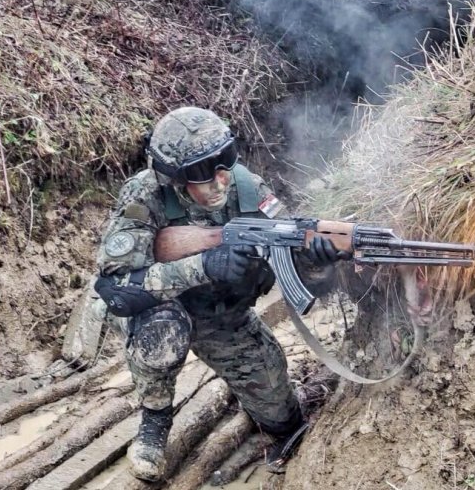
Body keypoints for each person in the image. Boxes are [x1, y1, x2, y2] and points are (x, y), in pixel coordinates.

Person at [92, 106, 343, 481]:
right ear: (173, 177)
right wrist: (203, 266)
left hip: (225, 318)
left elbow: (293, 268)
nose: (218, 181)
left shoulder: (249, 191)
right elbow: (116, 289)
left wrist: (319, 263)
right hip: (163, 312)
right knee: (161, 334)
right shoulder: (145, 196)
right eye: (200, 173)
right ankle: (155, 419)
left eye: (224, 162)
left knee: (282, 415)